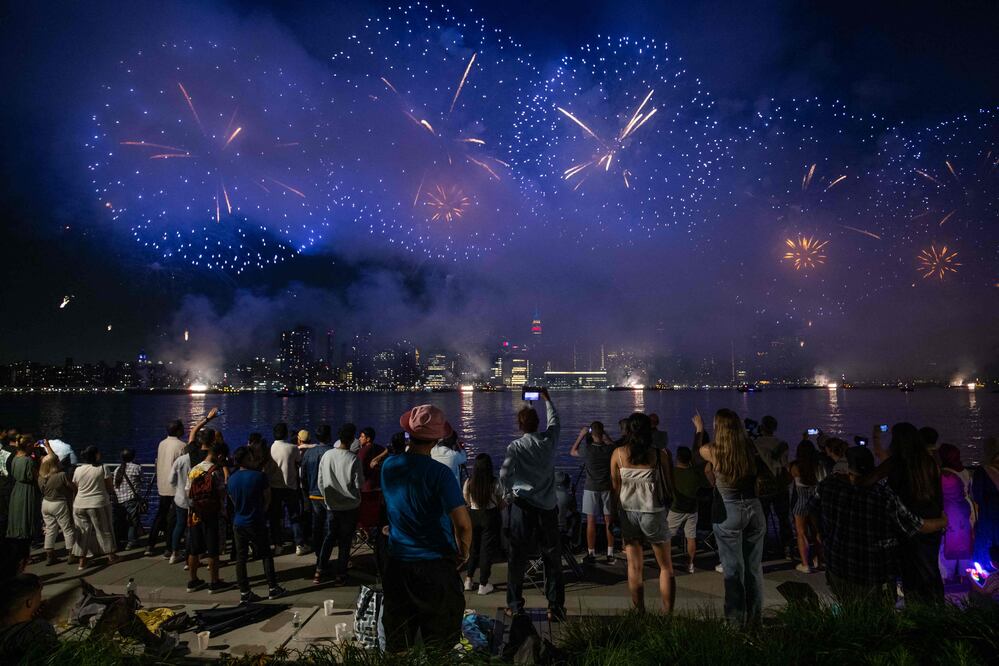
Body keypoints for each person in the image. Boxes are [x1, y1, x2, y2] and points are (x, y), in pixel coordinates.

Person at [381, 404, 471, 652]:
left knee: (399, 639)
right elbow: (463, 524)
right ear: (437, 438)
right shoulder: (440, 474)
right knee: (441, 639)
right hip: (434, 566)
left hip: (398, 563)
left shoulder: (389, 466)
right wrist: (463, 553)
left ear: (409, 432)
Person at [810, 446, 947, 605]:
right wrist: (943, 521)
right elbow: (917, 526)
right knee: (879, 620)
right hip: (874, 575)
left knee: (849, 611)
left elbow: (812, 507)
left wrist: (820, 532)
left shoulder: (829, 485)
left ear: (847, 467)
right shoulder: (883, 496)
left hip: (838, 567)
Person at [500, 388, 566, 621]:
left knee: (517, 557)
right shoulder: (549, 441)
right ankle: (555, 607)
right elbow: (555, 421)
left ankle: (515, 605)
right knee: (552, 558)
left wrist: (507, 494)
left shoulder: (515, 447)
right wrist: (547, 399)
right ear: (538, 424)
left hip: (522, 507)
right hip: (547, 508)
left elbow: (505, 474)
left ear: (519, 426)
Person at [697, 409, 765, 626]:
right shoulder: (750, 449)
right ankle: (755, 619)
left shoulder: (712, 451)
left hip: (729, 511)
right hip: (754, 508)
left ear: (719, 428)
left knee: (733, 570)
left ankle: (736, 622)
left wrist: (700, 429)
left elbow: (696, 451)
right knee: (753, 569)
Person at [610, 412, 675, 612]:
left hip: (628, 512)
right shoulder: (658, 454)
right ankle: (667, 615)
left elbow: (615, 487)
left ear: (628, 430)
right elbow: (670, 486)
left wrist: (615, 514)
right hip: (652, 512)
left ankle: (639, 614)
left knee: (635, 567)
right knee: (665, 567)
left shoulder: (618, 454)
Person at [884, 423, 945, 603]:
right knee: (931, 570)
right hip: (933, 522)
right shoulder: (929, 462)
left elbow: (892, 495)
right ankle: (937, 610)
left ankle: (919, 613)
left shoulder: (899, 465)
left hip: (910, 527)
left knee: (912, 574)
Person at [228, 446, 286, 603]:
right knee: (266, 554)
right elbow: (267, 498)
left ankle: (245, 592)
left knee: (241, 558)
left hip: (239, 521)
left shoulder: (231, 479)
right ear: (247, 459)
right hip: (256, 520)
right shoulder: (259, 476)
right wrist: (262, 511)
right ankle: (273, 587)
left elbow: (233, 501)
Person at [315, 424, 362, 585]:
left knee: (329, 537)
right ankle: (340, 574)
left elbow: (320, 481)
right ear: (351, 440)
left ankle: (319, 570)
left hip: (331, 504)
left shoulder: (327, 455)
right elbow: (358, 483)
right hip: (350, 505)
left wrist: (327, 498)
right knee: (345, 541)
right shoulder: (353, 458)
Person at [185, 440, 230, 593]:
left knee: (194, 548)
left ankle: (192, 580)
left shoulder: (194, 469)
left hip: (195, 514)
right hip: (212, 514)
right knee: (213, 549)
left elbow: (188, 493)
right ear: (219, 455)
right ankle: (214, 581)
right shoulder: (215, 471)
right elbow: (222, 493)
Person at [570, 421, 617, 564]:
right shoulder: (610, 449)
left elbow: (572, 452)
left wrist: (581, 436)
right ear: (602, 433)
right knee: (608, 521)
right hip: (606, 487)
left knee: (591, 521)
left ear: (591, 433)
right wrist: (606, 436)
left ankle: (591, 553)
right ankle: (610, 553)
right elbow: (615, 446)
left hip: (591, 488)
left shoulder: (588, 449)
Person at [463, 453, 504, 595]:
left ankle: (468, 580)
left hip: (473, 515)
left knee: (473, 548)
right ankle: (483, 584)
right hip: (489, 516)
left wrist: (472, 505)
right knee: (486, 551)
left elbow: (466, 499)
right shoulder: (494, 482)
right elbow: (500, 501)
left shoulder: (469, 482)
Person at [752, 416, 793, 558]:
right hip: (780, 485)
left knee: (762, 519)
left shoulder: (755, 444)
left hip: (762, 486)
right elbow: (784, 464)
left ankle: (762, 549)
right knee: (783, 518)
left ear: (761, 427)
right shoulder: (782, 444)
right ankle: (787, 547)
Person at [73, 445, 119, 569]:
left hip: (79, 504)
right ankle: (111, 556)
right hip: (98, 503)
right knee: (104, 530)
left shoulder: (78, 470)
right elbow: (109, 487)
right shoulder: (103, 468)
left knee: (82, 532)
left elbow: (76, 486)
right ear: (96, 455)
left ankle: (82, 561)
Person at [146, 419, 187, 558]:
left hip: (162, 484)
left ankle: (150, 544)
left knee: (160, 515)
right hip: (175, 486)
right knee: (173, 518)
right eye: (182, 428)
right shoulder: (182, 446)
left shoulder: (161, 444)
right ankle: (169, 548)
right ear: (178, 430)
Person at [268, 423, 308, 556]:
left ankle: (278, 544)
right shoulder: (292, 448)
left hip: (274, 487)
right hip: (291, 487)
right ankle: (299, 544)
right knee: (294, 516)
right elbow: (299, 462)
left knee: (276, 517)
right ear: (285, 434)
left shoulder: (270, 449)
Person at [668, 446, 709, 574]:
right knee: (691, 537)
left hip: (676, 508)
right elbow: (706, 485)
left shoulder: (673, 473)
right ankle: (690, 563)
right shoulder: (695, 473)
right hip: (692, 509)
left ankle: (667, 563)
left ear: (677, 458)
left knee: (667, 536)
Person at [938, 443, 975, 582]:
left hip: (949, 512)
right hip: (965, 511)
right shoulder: (965, 471)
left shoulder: (944, 475)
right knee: (964, 546)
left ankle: (948, 581)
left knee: (947, 548)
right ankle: (964, 579)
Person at [0, 573, 58, 661]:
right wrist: (46, 620)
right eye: (39, 596)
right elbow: (55, 657)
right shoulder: (38, 629)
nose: (40, 600)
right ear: (29, 603)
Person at [301, 424, 334, 581]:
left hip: (313, 494)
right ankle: (323, 562)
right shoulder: (332, 453)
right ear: (328, 436)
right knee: (328, 529)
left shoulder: (308, 453)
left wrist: (307, 491)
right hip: (328, 496)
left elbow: (304, 475)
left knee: (317, 527)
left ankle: (318, 557)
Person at [6, 436, 43, 562]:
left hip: (17, 491)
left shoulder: (15, 458)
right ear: (27, 445)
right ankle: (26, 556)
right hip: (28, 491)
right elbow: (37, 477)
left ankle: (20, 554)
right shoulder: (28, 461)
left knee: (18, 522)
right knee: (27, 521)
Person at [38, 450, 77, 565]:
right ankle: (71, 554)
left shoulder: (40, 476)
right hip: (58, 503)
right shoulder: (61, 475)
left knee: (50, 529)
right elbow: (72, 487)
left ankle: (50, 555)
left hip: (45, 503)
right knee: (67, 528)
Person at [790, 441, 823, 573]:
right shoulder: (817, 466)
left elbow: (789, 479)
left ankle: (805, 564)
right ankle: (820, 562)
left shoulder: (795, 467)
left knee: (801, 533)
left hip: (801, 503)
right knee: (817, 534)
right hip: (815, 503)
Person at [972, 436, 999, 566]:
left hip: (989, 512)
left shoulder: (982, 471)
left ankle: (987, 575)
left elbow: (977, 495)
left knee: (986, 542)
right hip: (990, 511)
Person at [168, 442, 195, 565]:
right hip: (193, 499)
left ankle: (174, 553)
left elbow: (171, 479)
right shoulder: (197, 461)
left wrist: (177, 487)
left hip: (179, 498)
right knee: (191, 528)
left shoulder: (179, 460)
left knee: (179, 525)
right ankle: (191, 555)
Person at [112, 448, 143, 550]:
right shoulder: (136, 468)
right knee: (132, 521)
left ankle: (119, 541)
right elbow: (141, 480)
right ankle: (132, 541)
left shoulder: (117, 469)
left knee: (121, 521)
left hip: (119, 499)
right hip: (131, 499)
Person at [357, 427, 385, 492]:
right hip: (378, 484)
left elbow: (359, 469)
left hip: (366, 486)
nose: (359, 439)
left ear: (368, 439)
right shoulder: (380, 448)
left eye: (362, 437)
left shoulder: (362, 451)